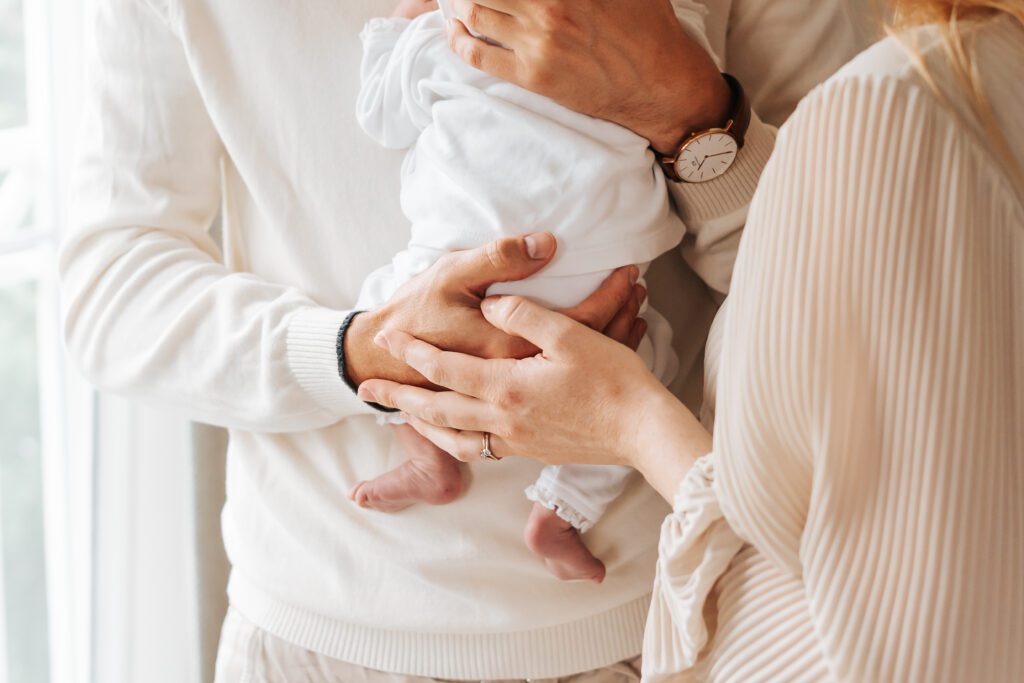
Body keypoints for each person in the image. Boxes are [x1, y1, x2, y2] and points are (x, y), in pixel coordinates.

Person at [60, 0, 856, 681]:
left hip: (673, 626)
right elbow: (112, 289)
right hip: (315, 637)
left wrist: (687, 109)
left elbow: (857, 301)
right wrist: (363, 354)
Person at [359, 2, 1024, 681]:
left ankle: (444, 449)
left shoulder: (901, 105)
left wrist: (635, 423)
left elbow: (907, 636)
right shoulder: (970, 85)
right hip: (615, 292)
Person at [349, 0, 719, 584]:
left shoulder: (449, 39)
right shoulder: (645, 32)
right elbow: (690, 70)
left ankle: (429, 458)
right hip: (599, 272)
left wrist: (400, 21)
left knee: (381, 325)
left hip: (454, 264)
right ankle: (560, 512)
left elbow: (378, 113)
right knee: (639, 370)